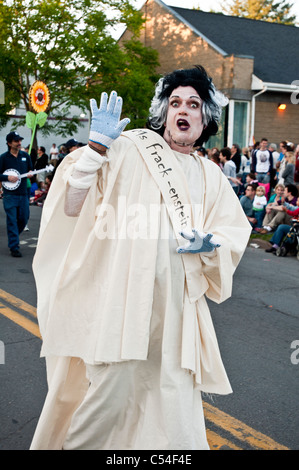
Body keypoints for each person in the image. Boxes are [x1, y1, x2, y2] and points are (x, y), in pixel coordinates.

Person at [30, 66, 251, 451]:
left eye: (194, 104)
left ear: (206, 118)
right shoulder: (129, 148)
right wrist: (96, 148)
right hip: (120, 305)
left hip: (177, 316)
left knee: (171, 407)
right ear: (164, 112)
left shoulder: (211, 176)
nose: (183, 109)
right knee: (106, 403)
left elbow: (233, 235)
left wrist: (210, 244)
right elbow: (71, 205)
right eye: (175, 102)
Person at [0, 131, 33, 257]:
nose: (19, 143)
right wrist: (7, 177)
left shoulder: (25, 156)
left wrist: (30, 173)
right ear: (9, 143)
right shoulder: (3, 158)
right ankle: (14, 246)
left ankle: (14, 236)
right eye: (16, 141)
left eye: (20, 141)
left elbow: (30, 169)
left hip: (23, 193)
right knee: (12, 220)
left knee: (24, 218)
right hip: (10, 195)